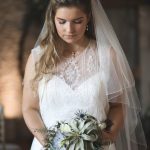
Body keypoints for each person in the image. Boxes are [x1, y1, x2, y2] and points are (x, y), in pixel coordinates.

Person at [22, 0, 147, 149]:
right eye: (62, 22)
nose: (69, 29)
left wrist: (108, 135)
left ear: (88, 17)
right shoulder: (38, 58)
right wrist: (50, 142)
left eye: (77, 21)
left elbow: (118, 106)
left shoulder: (107, 56)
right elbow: (30, 108)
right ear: (52, 18)